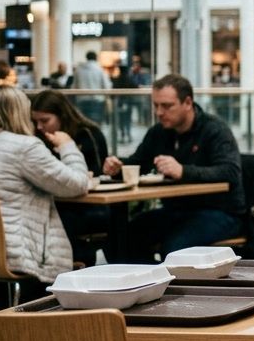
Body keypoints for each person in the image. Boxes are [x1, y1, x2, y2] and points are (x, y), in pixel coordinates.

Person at [102, 74, 245, 261]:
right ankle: (146, 283)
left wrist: (183, 171)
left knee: (175, 248)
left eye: (167, 106)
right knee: (119, 239)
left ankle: (165, 284)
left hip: (220, 212)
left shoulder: (214, 130)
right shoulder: (159, 132)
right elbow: (139, 162)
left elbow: (230, 172)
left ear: (187, 102)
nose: (159, 112)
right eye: (156, 106)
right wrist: (118, 167)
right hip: (176, 211)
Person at [0, 85, 90, 296]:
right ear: (19, 112)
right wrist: (67, 146)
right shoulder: (25, 147)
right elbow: (77, 184)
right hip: (14, 253)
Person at [31, 89, 110, 268]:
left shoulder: (88, 134)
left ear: (62, 116)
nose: (39, 127)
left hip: (90, 206)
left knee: (59, 221)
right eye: (35, 121)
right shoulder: (37, 141)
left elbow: (94, 175)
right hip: (58, 204)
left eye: (44, 120)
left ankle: (72, 267)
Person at [71, 50, 112, 124]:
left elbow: (74, 86)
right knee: (96, 122)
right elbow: (107, 86)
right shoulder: (99, 70)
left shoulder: (79, 70)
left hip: (82, 99)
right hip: (97, 100)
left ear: (86, 58)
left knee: (83, 122)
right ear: (96, 58)